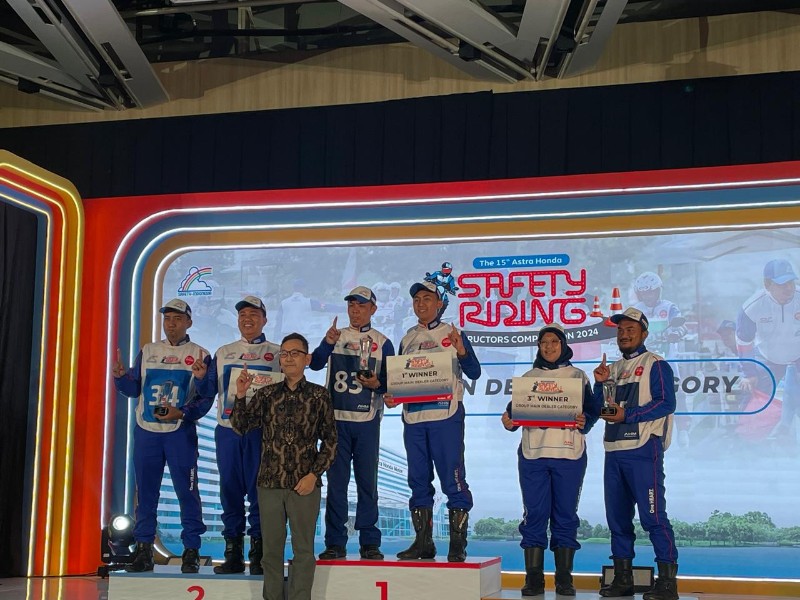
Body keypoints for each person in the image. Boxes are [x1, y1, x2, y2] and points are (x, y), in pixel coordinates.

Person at [230, 333, 337, 600]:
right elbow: (241, 427)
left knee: (304, 551)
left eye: (295, 353)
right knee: (271, 553)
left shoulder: (319, 396)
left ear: (307, 359)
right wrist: (240, 395)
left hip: (305, 485)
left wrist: (314, 475)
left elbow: (331, 441)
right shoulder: (266, 394)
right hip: (270, 484)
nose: (289, 358)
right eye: (285, 354)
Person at [111, 298, 213, 573]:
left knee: (187, 492)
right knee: (146, 494)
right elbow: (133, 389)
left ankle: (191, 550)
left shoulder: (200, 353)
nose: (172, 323)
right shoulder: (148, 351)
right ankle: (143, 549)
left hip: (180, 433)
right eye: (167, 318)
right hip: (147, 432)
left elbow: (206, 397)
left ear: (189, 322)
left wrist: (182, 412)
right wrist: (120, 377)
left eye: (178, 318)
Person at [500, 323, 600, 597]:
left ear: (563, 345)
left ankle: (564, 579)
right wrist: (508, 422)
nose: (549, 347)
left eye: (554, 342)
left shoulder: (578, 376)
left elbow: (592, 411)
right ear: (538, 347)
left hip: (569, 455)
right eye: (544, 342)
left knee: (565, 516)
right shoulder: (528, 377)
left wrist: (587, 420)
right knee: (534, 515)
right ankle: (533, 579)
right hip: (533, 455)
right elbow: (513, 414)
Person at [385, 280, 481, 562]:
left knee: (453, 480)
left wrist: (462, 351)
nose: (421, 304)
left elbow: (474, 372)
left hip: (446, 416)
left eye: (427, 299)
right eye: (417, 300)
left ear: (439, 303)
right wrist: (393, 396)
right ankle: (423, 544)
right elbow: (401, 379)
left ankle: (457, 545)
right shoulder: (407, 338)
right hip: (414, 418)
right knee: (417, 480)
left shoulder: (453, 333)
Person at [592, 307, 679, 600]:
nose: (624, 334)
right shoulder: (613, 369)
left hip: (643, 449)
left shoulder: (656, 364)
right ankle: (622, 580)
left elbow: (666, 403)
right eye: (620, 330)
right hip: (614, 450)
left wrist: (628, 415)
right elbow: (603, 409)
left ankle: (667, 583)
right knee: (617, 520)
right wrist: (600, 384)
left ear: (644, 333)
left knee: (653, 518)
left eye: (630, 329)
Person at [193, 296, 281, 575]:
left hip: (261, 433)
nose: (247, 319)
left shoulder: (278, 353)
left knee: (260, 492)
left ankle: (260, 554)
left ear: (264, 319)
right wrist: (200, 378)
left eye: (254, 314)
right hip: (228, 431)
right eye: (243, 314)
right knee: (230, 491)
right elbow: (208, 391)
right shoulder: (223, 352)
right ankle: (232, 554)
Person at [310, 286, 395, 560]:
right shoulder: (336, 337)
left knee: (367, 483)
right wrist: (326, 342)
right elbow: (315, 364)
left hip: (367, 421)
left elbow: (392, 384)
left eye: (361, 305)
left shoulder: (383, 342)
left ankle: (369, 541)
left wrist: (377, 384)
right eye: (351, 305)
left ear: (373, 309)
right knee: (336, 484)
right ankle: (335, 542)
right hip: (335, 421)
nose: (355, 310)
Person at [736, 258, 800, 441]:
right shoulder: (752, 307)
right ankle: (745, 440)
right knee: (754, 394)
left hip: (798, 354)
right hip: (768, 357)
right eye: (782, 284)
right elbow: (744, 342)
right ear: (767, 284)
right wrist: (749, 373)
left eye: (791, 282)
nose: (788, 288)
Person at [632, 271, 691, 447]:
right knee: (636, 394)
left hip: (667, 359)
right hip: (642, 360)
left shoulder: (669, 307)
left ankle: (683, 430)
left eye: (651, 292)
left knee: (677, 393)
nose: (648, 296)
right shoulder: (635, 310)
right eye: (644, 293)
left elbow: (683, 326)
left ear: (658, 291)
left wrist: (676, 333)